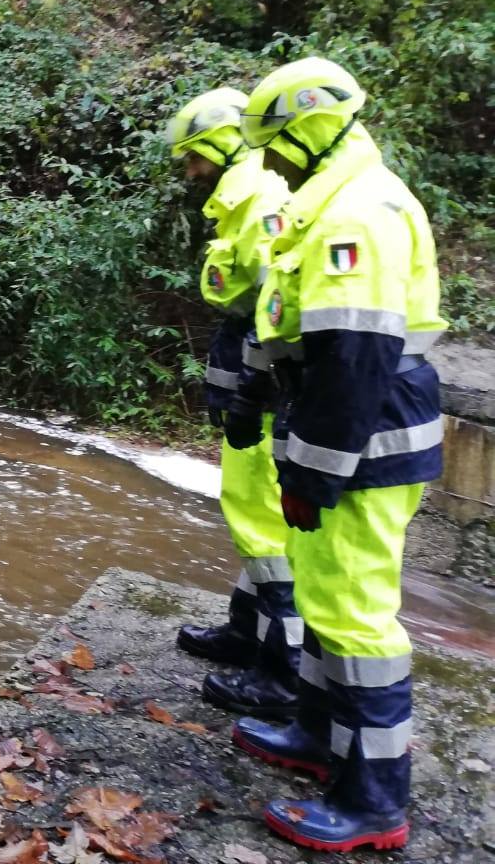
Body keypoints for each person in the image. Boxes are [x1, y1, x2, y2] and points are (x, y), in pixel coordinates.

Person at [227, 57, 445, 853]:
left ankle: (374, 802)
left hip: (366, 442)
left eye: (277, 143)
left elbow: (353, 355)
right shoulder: (332, 203)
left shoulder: (357, 213)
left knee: (356, 622)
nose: (271, 160)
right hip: (350, 437)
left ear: (312, 127)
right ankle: (321, 736)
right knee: (324, 602)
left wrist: (312, 472)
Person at [166, 89, 299, 705]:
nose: (190, 171)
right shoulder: (241, 196)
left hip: (265, 385)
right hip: (251, 371)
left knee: (260, 518)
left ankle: (282, 669)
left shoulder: (262, 197)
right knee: (251, 517)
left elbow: (279, 309)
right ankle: (246, 632)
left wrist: (255, 388)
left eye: (194, 157)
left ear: (221, 143)